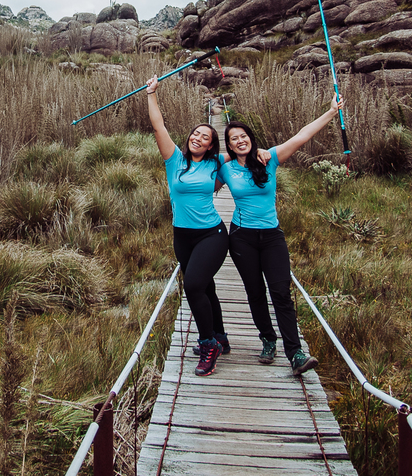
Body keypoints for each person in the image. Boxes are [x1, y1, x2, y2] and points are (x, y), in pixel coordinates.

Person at [219, 95, 344, 376]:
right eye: (233, 139)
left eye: (243, 136)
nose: (240, 141)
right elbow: (202, 177)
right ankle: (267, 339)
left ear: (251, 138)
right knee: (255, 292)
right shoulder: (226, 168)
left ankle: (295, 354)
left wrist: (330, 112)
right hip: (241, 238)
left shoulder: (270, 159)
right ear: (229, 145)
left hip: (272, 236)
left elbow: (302, 136)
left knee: (281, 293)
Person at [144, 74, 228, 377]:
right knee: (206, 286)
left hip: (212, 234)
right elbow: (159, 126)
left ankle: (208, 345)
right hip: (182, 236)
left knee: (193, 286)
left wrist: (255, 151)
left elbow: (242, 154)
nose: (198, 138)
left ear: (211, 145)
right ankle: (221, 336)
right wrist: (152, 93)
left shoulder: (217, 164)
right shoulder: (174, 161)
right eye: (196, 134)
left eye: (206, 137)